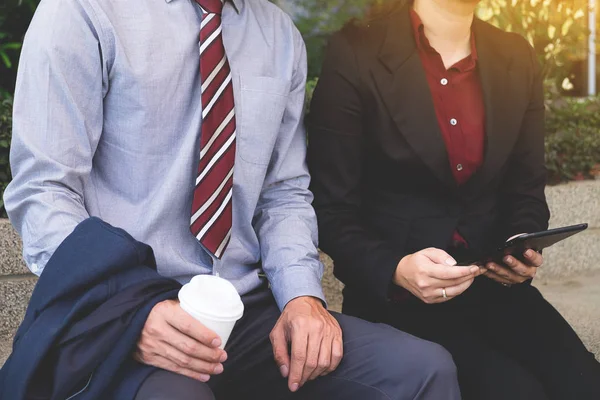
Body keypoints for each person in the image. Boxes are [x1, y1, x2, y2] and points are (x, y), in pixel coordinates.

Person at [4, 0, 462, 398]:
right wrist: (129, 312)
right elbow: (44, 190)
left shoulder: (279, 36)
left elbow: (282, 194)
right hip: (122, 309)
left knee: (422, 372)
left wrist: (302, 298)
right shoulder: (84, 11)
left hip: (245, 311)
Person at [307, 0, 600, 399]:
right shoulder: (356, 52)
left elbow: (525, 186)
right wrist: (394, 267)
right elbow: (330, 207)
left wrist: (521, 246)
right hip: (399, 298)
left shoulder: (516, 54)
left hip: (494, 288)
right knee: (513, 391)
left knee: (583, 381)